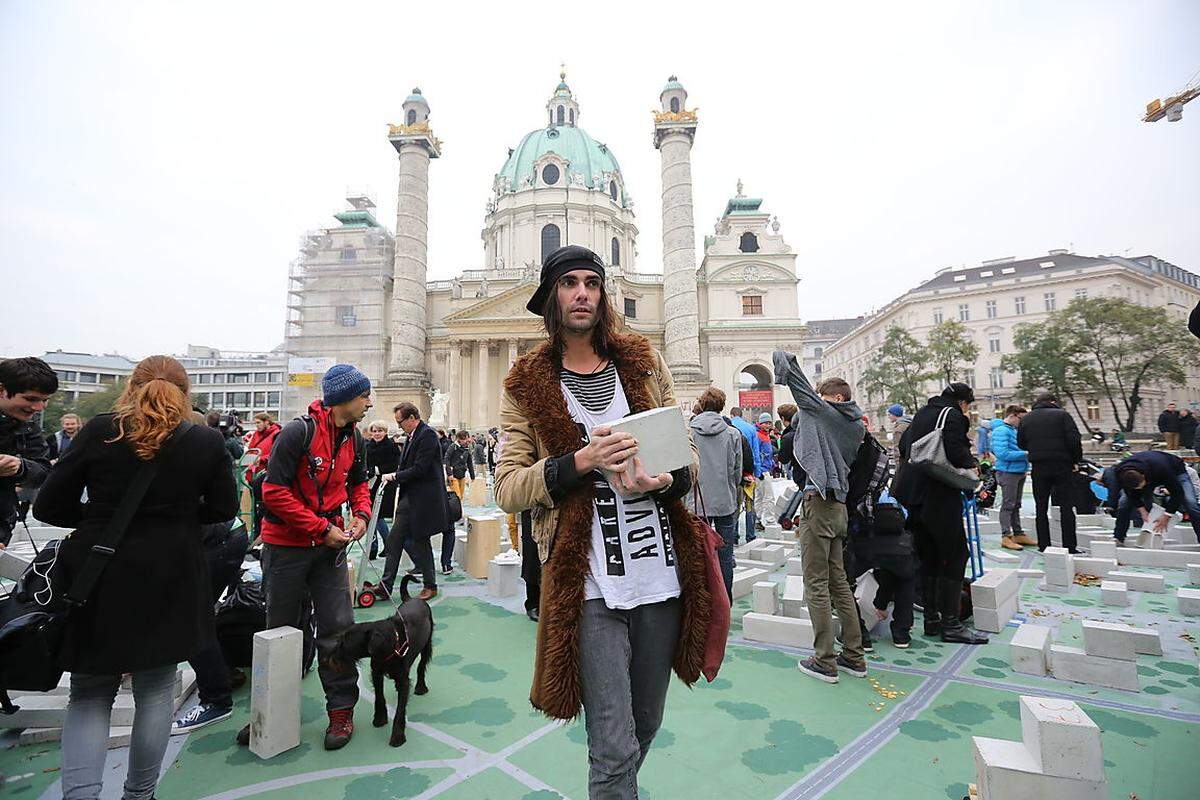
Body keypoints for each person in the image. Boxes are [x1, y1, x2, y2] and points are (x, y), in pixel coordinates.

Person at [494, 245, 706, 797]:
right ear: (551, 299)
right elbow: (509, 488)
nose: (582, 292)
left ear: (604, 294)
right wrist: (578, 462)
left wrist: (664, 479)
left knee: (645, 725)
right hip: (586, 583)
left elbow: (687, 458)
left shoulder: (643, 362)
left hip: (660, 575)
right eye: (569, 283)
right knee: (611, 744)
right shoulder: (526, 384)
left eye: (592, 282)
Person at [33, 356, 238, 799]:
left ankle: (81, 794)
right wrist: (178, 518)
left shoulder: (100, 429)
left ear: (132, 385)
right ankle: (140, 793)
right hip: (171, 571)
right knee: (156, 689)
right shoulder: (203, 439)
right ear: (185, 393)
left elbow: (48, 506)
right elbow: (223, 508)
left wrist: (99, 520)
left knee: (89, 693)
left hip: (100, 572)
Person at [250, 363, 373, 750]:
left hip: (329, 550)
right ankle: (269, 713)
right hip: (286, 548)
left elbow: (358, 485)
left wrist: (362, 517)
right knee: (282, 632)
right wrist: (321, 528)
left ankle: (340, 712)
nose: (370, 402)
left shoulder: (356, 438)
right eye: (365, 395)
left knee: (338, 630)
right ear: (344, 399)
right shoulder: (297, 432)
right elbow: (273, 493)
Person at [773, 350, 869, 682]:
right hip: (838, 507)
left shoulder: (828, 414)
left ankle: (825, 660)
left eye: (824, 398)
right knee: (838, 581)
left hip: (820, 504)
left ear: (837, 399)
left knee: (815, 584)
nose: (817, 404)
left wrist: (784, 358)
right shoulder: (856, 425)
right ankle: (854, 656)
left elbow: (801, 390)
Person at [891, 383, 988, 645]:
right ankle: (951, 623)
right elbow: (956, 455)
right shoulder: (953, 415)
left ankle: (932, 620)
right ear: (963, 402)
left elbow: (904, 449)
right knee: (956, 554)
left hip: (913, 495)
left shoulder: (922, 413)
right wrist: (973, 467)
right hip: (939, 494)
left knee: (929, 555)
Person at [172, 517, 249, 734]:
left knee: (191, 620)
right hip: (221, 535)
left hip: (219, 540)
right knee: (196, 615)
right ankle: (224, 673)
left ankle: (216, 700)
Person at [381, 402, 449, 601]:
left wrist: (395, 476)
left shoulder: (426, 435)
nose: (399, 426)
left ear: (412, 418)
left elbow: (420, 468)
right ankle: (386, 586)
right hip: (410, 498)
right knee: (394, 540)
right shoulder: (413, 436)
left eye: (400, 421)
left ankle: (430, 585)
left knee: (421, 541)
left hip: (423, 499)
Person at [689, 387, 743, 601]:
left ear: (702, 405)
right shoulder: (732, 433)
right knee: (725, 555)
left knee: (698, 553)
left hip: (696, 502)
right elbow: (737, 471)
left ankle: (701, 600)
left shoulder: (689, 431)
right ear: (722, 406)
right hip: (724, 500)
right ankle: (724, 601)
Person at [1017, 390, 1084, 553]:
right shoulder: (1063, 415)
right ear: (1053, 402)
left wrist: (1036, 448)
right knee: (1066, 507)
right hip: (1063, 466)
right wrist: (1075, 460)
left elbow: (1021, 443)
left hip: (1039, 467)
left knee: (1041, 507)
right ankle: (1070, 546)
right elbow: (1074, 440)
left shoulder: (1026, 418)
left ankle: (1044, 545)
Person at [0, 357, 56, 548]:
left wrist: (21, 467)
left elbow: (43, 471)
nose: (39, 408)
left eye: (44, 400)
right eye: (31, 399)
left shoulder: (28, 427)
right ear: (1, 391)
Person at [1102, 450, 1200, 545]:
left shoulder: (1162, 469)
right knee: (1124, 504)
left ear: (1144, 477)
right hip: (1147, 470)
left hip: (1175, 469)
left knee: (1190, 503)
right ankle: (1119, 537)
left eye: (1142, 486)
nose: (1141, 489)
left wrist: (1167, 515)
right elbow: (1130, 493)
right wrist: (1142, 511)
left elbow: (1177, 493)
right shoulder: (1120, 472)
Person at [990, 405, 1036, 551]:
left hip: (1018, 471)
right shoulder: (1001, 431)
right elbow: (1002, 453)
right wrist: (1026, 453)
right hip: (1007, 472)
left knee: (1016, 504)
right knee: (1008, 504)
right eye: (1021, 419)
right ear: (1013, 415)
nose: (1022, 422)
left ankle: (1018, 533)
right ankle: (1006, 536)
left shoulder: (1013, 430)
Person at [364, 420, 400, 560]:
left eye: (380, 431)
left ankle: (382, 546)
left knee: (376, 516)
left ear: (385, 432)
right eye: (374, 431)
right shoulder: (367, 445)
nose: (377, 434)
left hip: (384, 485)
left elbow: (394, 465)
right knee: (371, 516)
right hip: (369, 484)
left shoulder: (391, 446)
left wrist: (375, 470)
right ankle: (376, 547)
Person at [754, 412, 777, 522]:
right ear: (761, 423)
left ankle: (758, 518)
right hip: (763, 470)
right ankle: (769, 520)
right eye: (766, 423)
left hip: (762, 469)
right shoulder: (759, 435)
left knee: (759, 496)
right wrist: (760, 470)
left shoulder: (763, 434)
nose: (768, 425)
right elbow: (757, 453)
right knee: (768, 497)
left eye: (770, 423)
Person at [443, 429, 476, 501]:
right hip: (453, 475)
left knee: (461, 497)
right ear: (459, 439)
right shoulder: (453, 447)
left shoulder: (467, 449)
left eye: (467, 438)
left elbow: (469, 463)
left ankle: (459, 511)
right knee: (457, 496)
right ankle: (457, 511)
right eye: (465, 439)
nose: (467, 440)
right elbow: (447, 459)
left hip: (462, 475)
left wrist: (472, 476)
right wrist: (449, 474)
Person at [776, 404, 798, 481]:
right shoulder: (804, 429)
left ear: (783, 418)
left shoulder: (788, 437)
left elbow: (783, 459)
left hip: (799, 472)